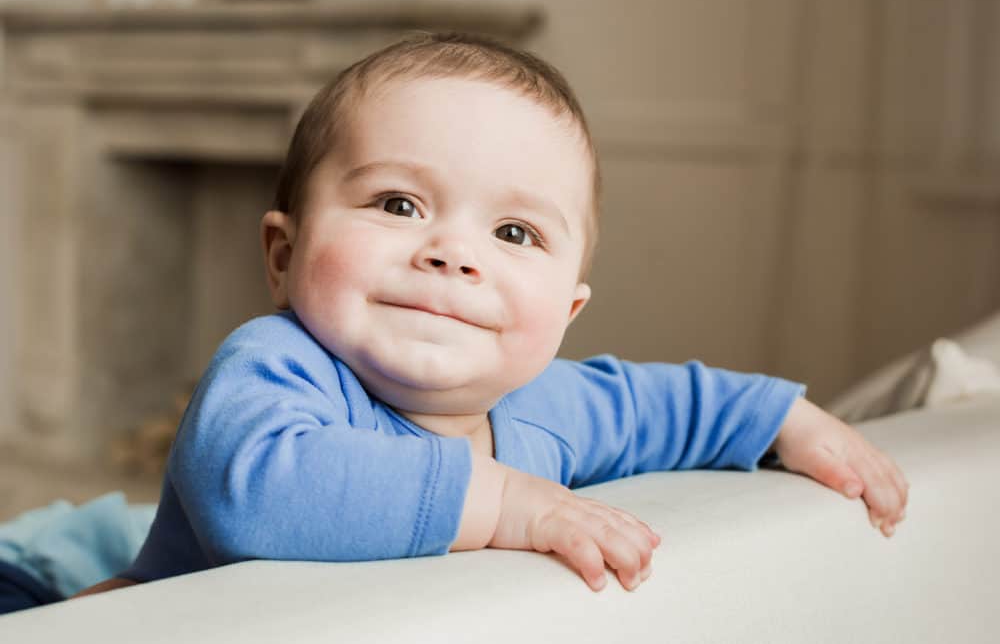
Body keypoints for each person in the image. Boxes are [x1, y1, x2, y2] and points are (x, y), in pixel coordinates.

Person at [74, 31, 908, 599]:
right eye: (398, 203)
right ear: (283, 256)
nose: (452, 253)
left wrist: (783, 420)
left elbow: (666, 406)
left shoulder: (547, 404)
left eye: (514, 231)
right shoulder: (276, 366)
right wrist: (509, 505)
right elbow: (253, 491)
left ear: (568, 310)